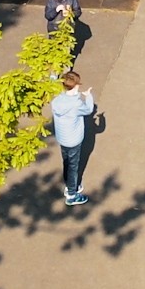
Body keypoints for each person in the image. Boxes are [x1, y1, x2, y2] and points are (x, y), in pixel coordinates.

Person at [48, 69, 93, 207]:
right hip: (74, 139)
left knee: (66, 162)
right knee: (74, 165)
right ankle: (72, 194)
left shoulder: (57, 99)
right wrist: (89, 96)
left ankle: (70, 184)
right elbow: (89, 110)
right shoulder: (76, 104)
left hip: (62, 137)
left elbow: (52, 85)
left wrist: (53, 76)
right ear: (76, 86)